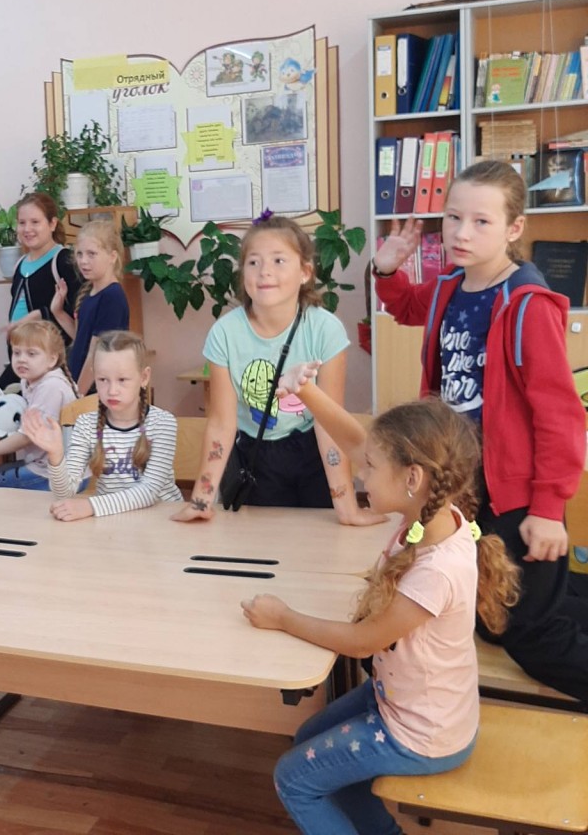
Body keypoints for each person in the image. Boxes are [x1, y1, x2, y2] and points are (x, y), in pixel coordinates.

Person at [245, 364, 520, 835]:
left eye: (371, 468)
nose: (360, 472)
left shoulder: (436, 569)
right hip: (405, 702)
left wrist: (283, 617)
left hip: (423, 735)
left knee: (293, 778)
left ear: (412, 477)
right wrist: (306, 391)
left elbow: (362, 642)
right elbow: (357, 441)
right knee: (308, 737)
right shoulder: (434, 511)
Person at [373, 158, 588, 700]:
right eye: (453, 217)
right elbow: (408, 307)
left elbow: (561, 415)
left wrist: (547, 509)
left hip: (515, 497)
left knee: (530, 637)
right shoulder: (451, 285)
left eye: (481, 221)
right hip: (465, 490)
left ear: (515, 229)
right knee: (491, 616)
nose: (461, 233)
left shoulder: (526, 305)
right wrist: (387, 271)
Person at [172, 213, 380, 526]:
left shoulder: (326, 330)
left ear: (305, 272)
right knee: (260, 540)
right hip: (256, 456)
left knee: (322, 542)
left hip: (313, 453)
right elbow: (221, 423)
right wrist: (201, 499)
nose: (264, 271)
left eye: (279, 260)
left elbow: (329, 423)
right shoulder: (225, 333)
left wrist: (347, 506)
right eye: (253, 262)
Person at [23, 330, 179, 520]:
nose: (112, 390)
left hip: (161, 520)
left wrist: (91, 506)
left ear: (144, 377)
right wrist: (56, 455)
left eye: (122, 380)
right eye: (103, 380)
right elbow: (65, 493)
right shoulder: (85, 424)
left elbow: (149, 491)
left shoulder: (163, 423)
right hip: (111, 521)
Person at [0, 319, 78, 492]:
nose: (21, 360)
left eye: (31, 354)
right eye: (16, 353)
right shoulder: (30, 381)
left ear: (52, 359)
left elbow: (27, 436)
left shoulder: (51, 387)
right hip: (46, 465)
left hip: (55, 474)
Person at [0, 192, 81, 388]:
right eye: (22, 223)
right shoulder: (20, 264)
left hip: (50, 368)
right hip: (23, 363)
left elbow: (76, 316)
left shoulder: (63, 261)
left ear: (52, 224)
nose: (27, 229)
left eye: (35, 222)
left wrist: (36, 316)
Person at [52, 219, 130, 395]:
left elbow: (96, 354)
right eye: (79, 254)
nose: (83, 261)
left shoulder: (112, 296)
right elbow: (81, 337)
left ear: (112, 256)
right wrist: (58, 312)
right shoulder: (89, 292)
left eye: (91, 254)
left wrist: (78, 394)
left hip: (97, 390)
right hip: (81, 384)